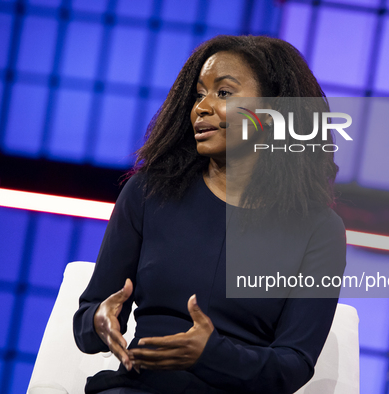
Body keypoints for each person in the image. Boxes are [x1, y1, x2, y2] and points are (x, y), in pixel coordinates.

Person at [73, 35, 347, 394]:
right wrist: (99, 320)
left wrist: (211, 353)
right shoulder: (147, 192)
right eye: (199, 94)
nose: (201, 107)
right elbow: (88, 317)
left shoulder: (319, 230)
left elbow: (293, 364)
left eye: (224, 93)